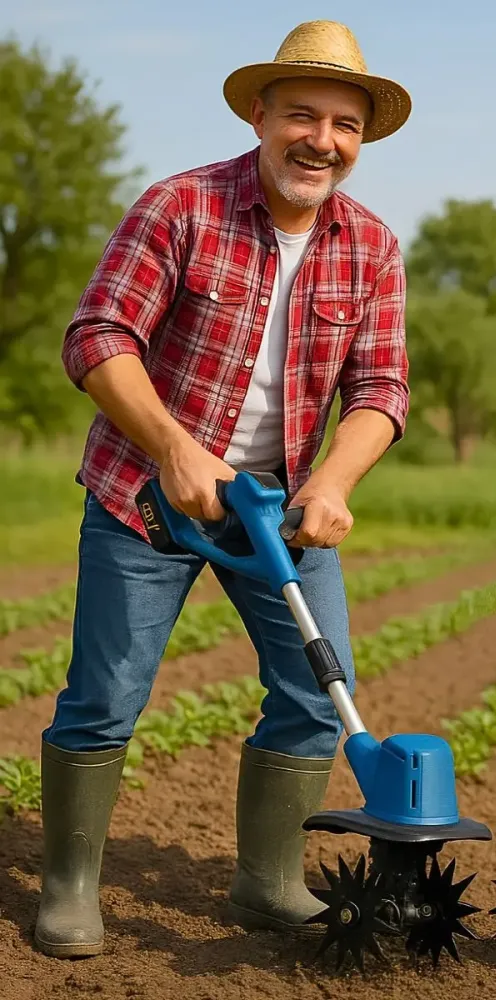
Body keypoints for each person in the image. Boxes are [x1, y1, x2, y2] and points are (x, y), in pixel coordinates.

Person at [34, 21, 412, 958]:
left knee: (318, 695)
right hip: (143, 496)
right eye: (302, 115)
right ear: (260, 114)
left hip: (277, 507)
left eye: (344, 124)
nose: (321, 139)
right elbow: (99, 335)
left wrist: (333, 475)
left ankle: (267, 880)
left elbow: (381, 388)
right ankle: (71, 884)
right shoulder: (182, 205)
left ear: (360, 140)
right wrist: (171, 445)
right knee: (105, 694)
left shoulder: (371, 244)